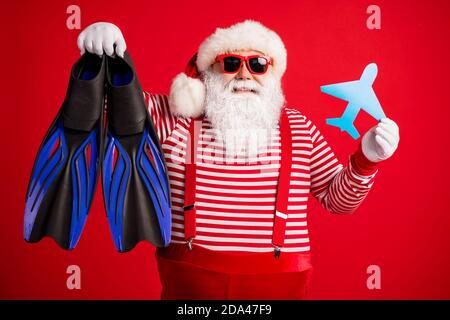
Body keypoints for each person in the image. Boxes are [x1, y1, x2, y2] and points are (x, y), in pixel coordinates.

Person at [77, 20, 400, 299]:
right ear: (209, 72)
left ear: (274, 72)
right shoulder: (175, 118)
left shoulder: (298, 127)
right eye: (231, 63)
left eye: (258, 64)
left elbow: (337, 201)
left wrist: (365, 160)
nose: (245, 74)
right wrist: (106, 53)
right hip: (191, 289)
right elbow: (105, 109)